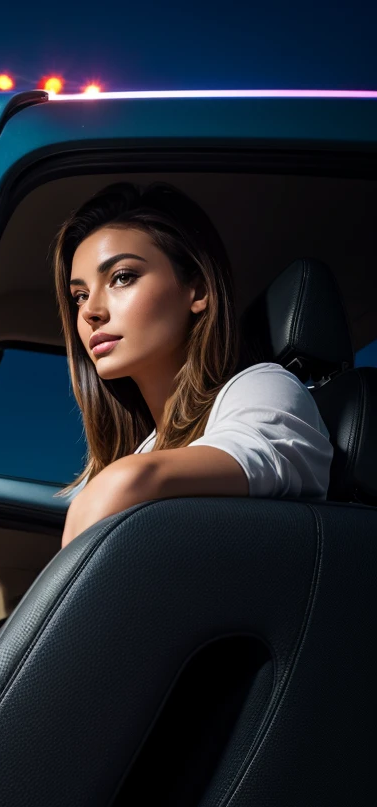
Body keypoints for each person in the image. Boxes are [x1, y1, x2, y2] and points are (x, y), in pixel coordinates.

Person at [53, 182, 333, 547]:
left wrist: (117, 482)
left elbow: (258, 453)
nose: (91, 311)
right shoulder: (142, 451)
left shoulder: (263, 387)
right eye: (80, 295)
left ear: (198, 291)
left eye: (122, 277)